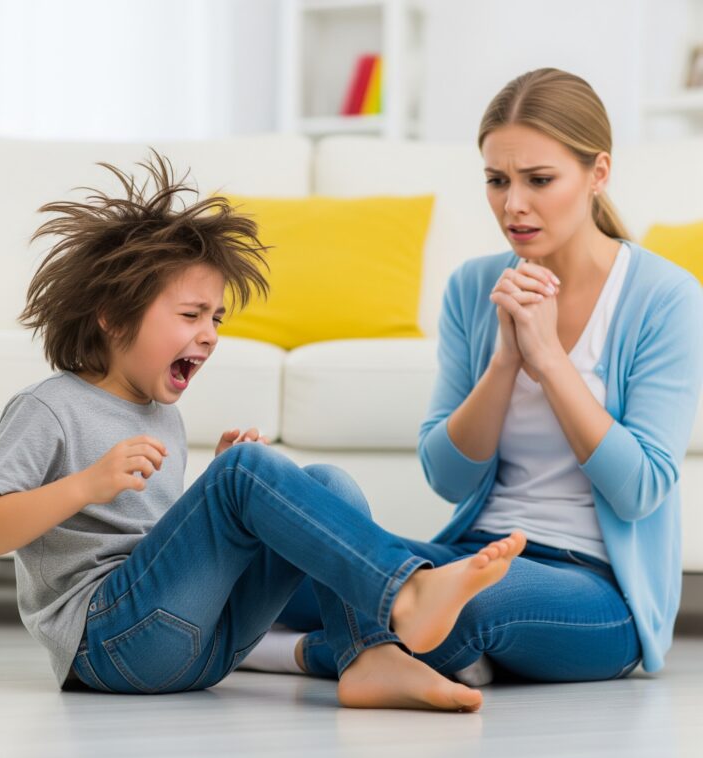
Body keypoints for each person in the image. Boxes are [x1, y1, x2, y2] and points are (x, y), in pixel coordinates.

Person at [0, 152, 526, 710]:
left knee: (328, 481)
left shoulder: (162, 416)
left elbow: (154, 539)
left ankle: (367, 657)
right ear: (113, 314)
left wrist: (216, 489)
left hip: (206, 647)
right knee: (244, 474)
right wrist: (86, 485)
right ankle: (406, 592)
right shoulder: (49, 408)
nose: (210, 334)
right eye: (190, 314)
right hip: (108, 644)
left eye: (216, 318)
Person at [257, 68, 703, 685]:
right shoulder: (474, 286)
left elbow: (642, 489)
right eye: (497, 181)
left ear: (598, 173)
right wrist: (504, 362)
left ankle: (291, 653)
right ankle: (442, 656)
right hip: (469, 555)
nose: (513, 204)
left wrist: (548, 359)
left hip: (596, 590)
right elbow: (448, 476)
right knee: (276, 563)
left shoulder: (666, 296)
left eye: (539, 180)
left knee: (467, 606)